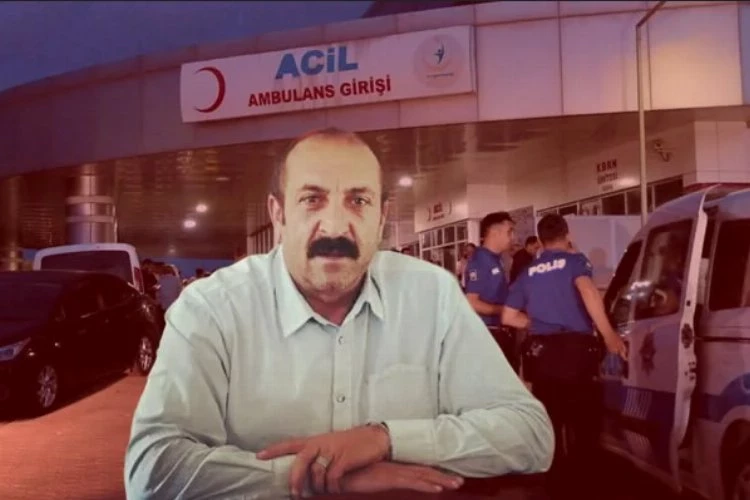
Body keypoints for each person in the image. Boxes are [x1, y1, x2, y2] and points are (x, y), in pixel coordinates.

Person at [124, 128, 553, 499]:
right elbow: (152, 470)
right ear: (278, 214)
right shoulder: (212, 309)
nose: (334, 226)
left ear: (382, 217)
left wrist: (385, 438)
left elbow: (530, 435)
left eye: (358, 200)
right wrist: (325, 477)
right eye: (312, 199)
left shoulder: (431, 294)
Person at [501, 214, 627, 497]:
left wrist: (537, 323)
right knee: (584, 422)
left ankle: (556, 486)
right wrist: (609, 335)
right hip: (576, 351)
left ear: (540, 240)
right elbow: (588, 292)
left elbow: (508, 316)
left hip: (542, 355)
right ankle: (584, 486)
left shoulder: (528, 272)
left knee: (552, 423)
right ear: (567, 235)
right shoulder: (575, 262)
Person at [464, 212, 521, 373]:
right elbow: (472, 303)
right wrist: (504, 310)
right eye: (509, 231)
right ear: (495, 232)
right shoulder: (480, 260)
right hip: (489, 334)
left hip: (501, 331)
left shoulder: (497, 259)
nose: (513, 237)